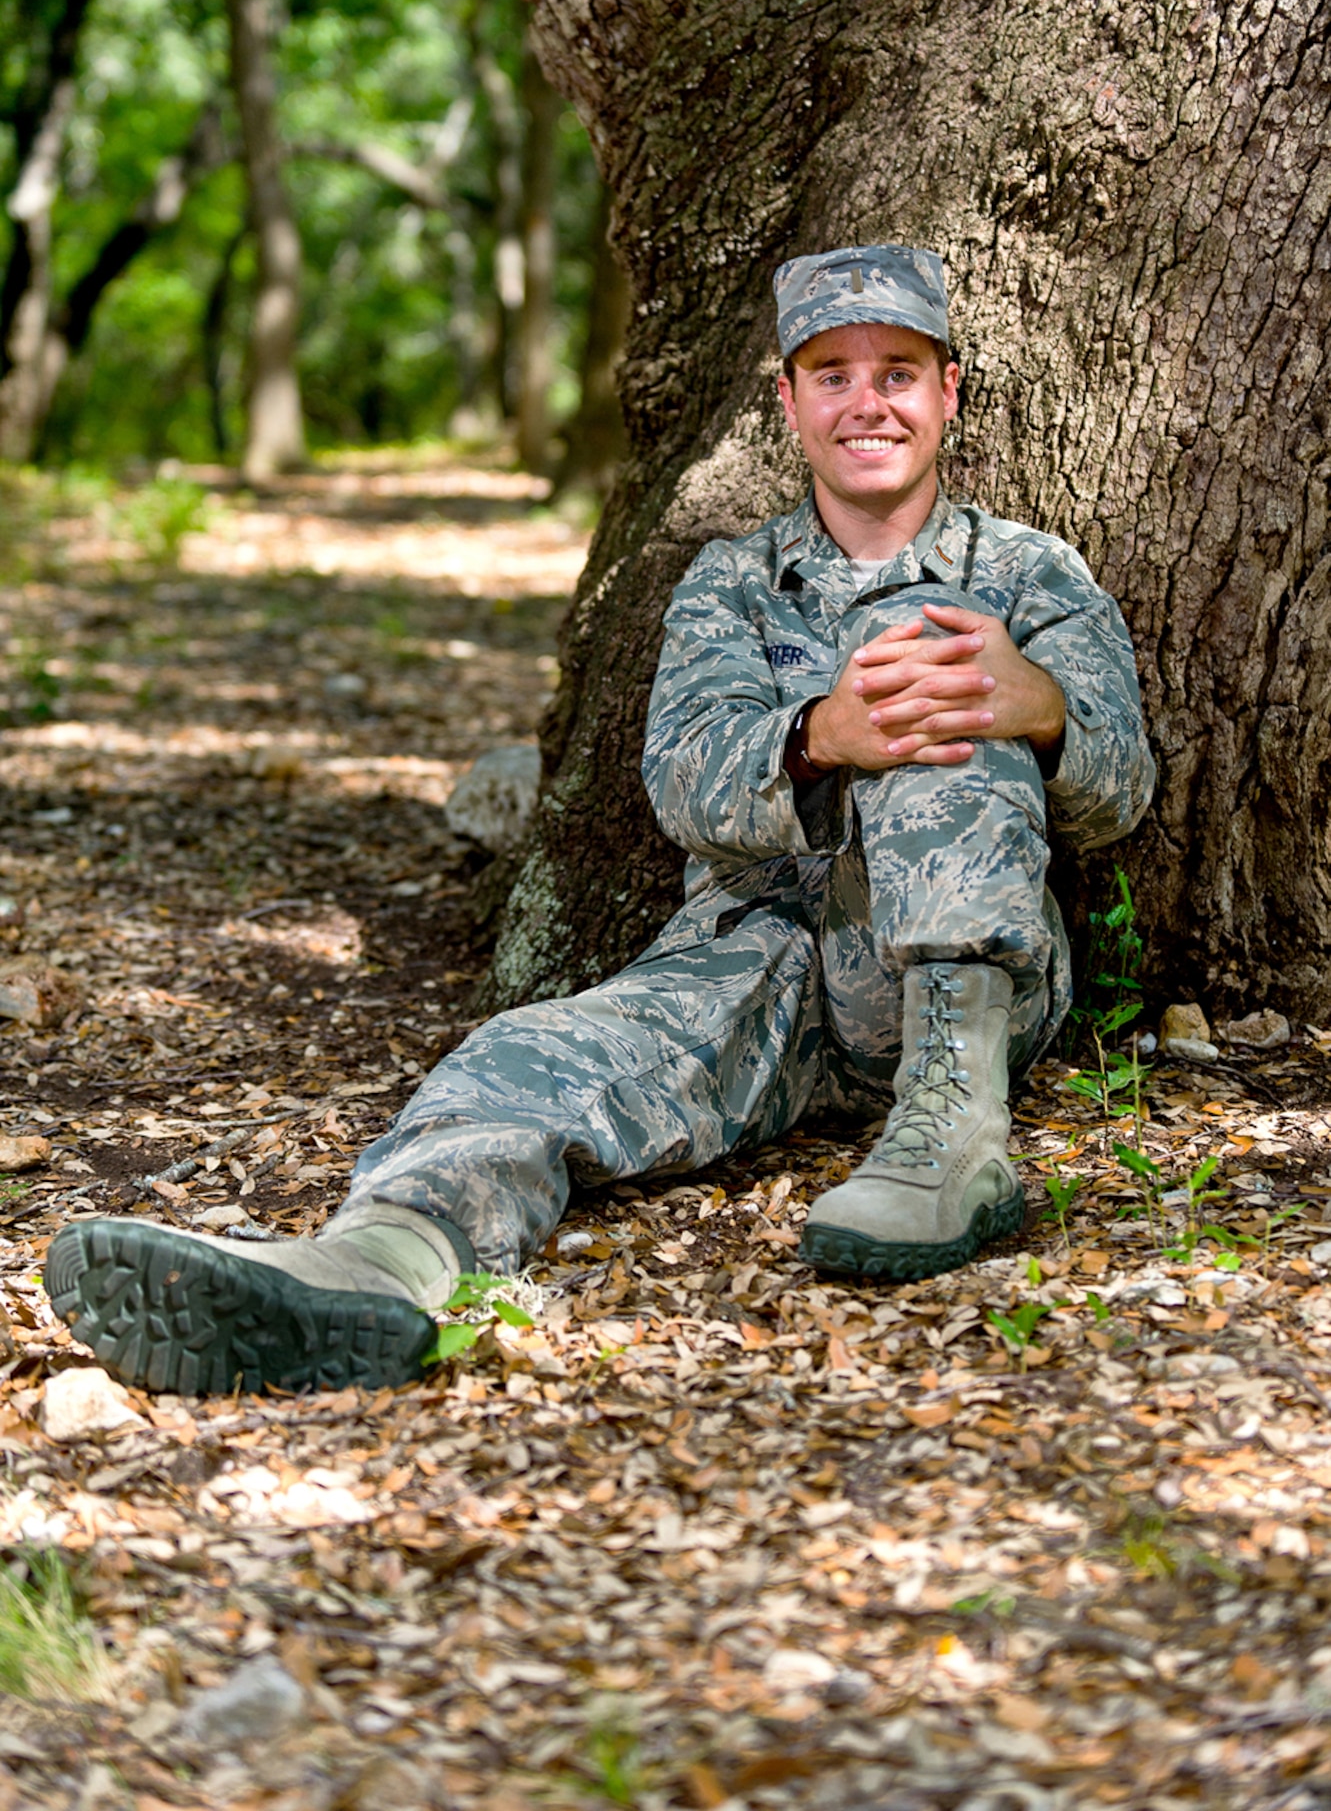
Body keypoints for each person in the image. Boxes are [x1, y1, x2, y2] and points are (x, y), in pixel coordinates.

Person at [44, 244, 1154, 1395]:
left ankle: (953, 1137)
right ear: (786, 400)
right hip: (751, 963)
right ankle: (377, 1264)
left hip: (948, 985)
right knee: (528, 1052)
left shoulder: (1027, 574)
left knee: (942, 691)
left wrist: (1036, 707)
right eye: (831, 372)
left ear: (947, 392)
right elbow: (683, 781)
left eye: (897, 371)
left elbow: (1120, 792)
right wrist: (817, 734)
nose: (865, 400)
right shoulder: (731, 581)